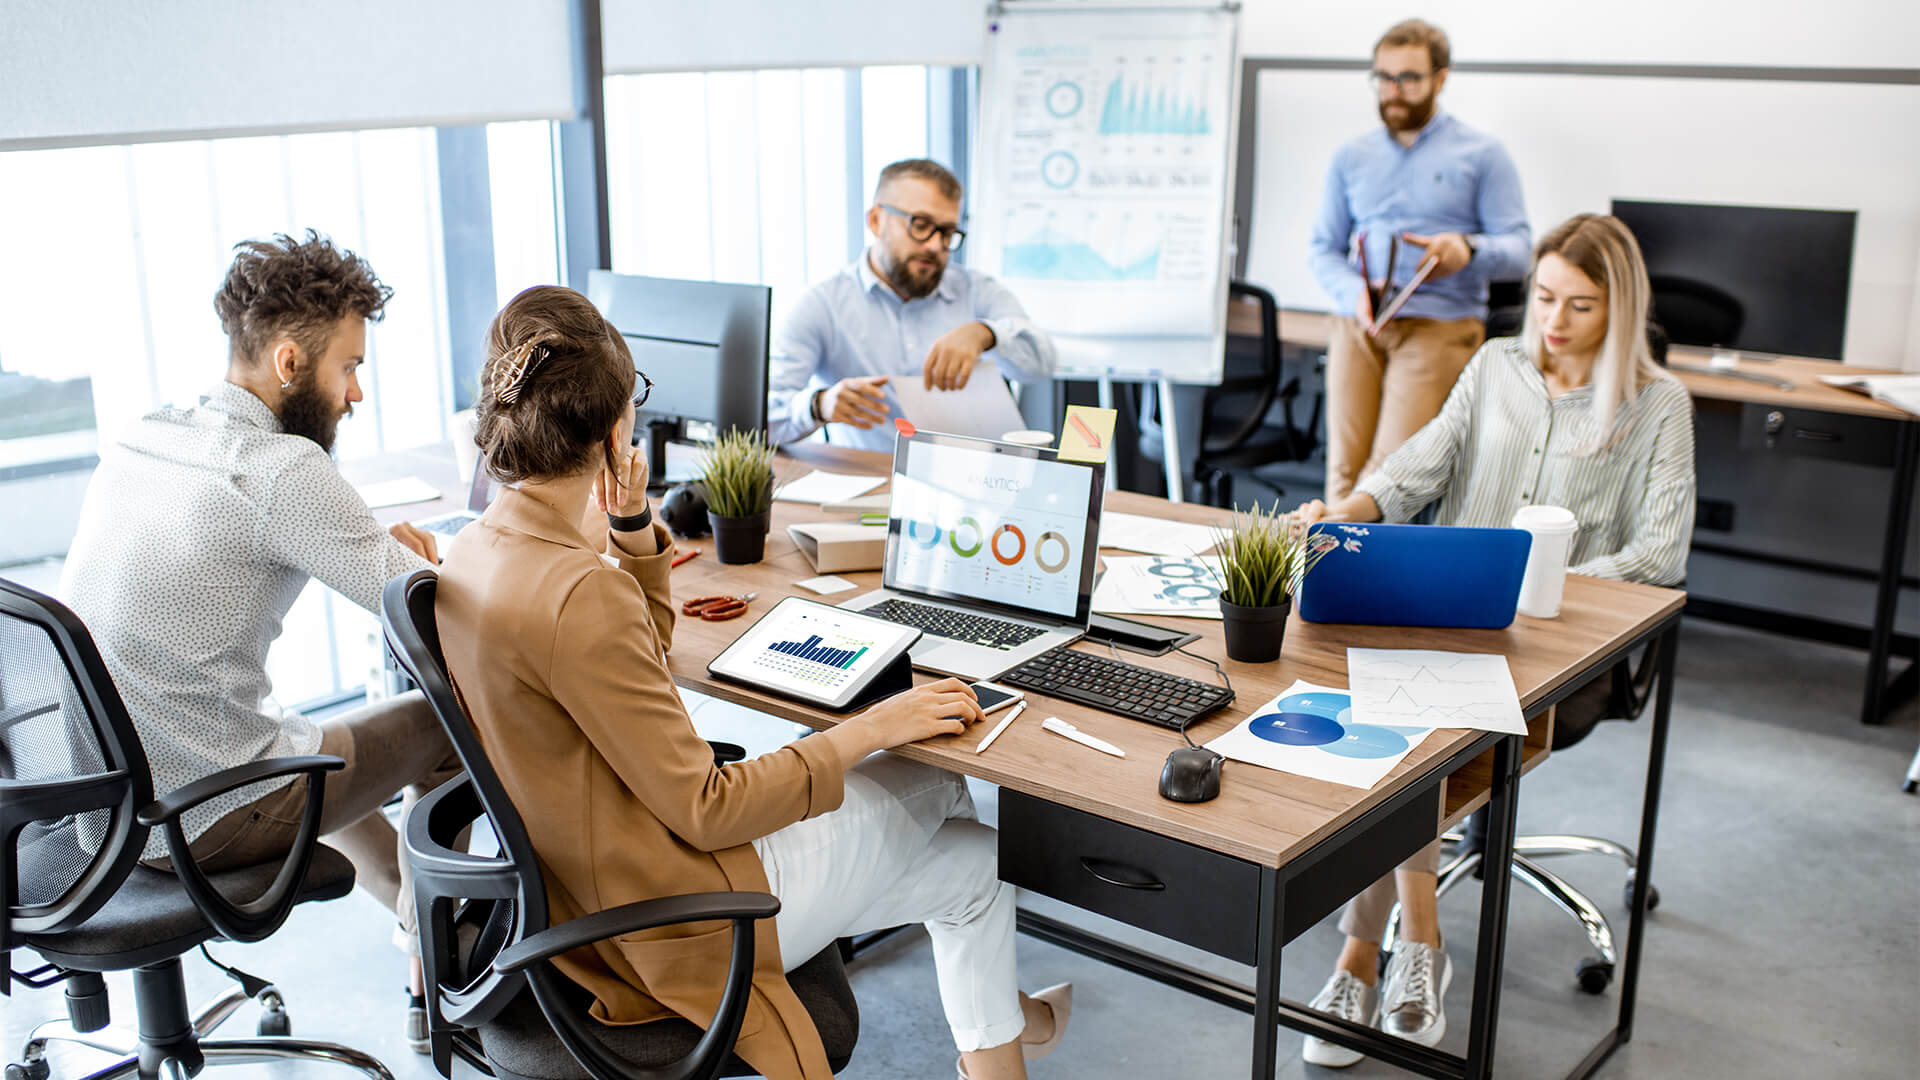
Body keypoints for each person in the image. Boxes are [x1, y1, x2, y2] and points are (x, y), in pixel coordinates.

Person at [435, 285, 1072, 1080]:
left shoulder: (474, 551)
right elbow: (708, 808)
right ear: (615, 430)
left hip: (586, 895)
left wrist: (632, 531)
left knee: (971, 862)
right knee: (937, 785)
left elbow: (628, 668)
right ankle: (1010, 1023)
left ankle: (1010, 1029)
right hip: (672, 919)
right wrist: (875, 726)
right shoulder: (576, 592)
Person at [1292, 213, 1696, 1067]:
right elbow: (1413, 472)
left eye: (1580, 306)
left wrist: (1548, 589)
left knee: (1410, 748)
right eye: (1544, 297)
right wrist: (1345, 515)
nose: (1553, 321)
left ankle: (1368, 953)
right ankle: (1414, 947)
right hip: (1446, 619)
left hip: (1563, 656)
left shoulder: (1658, 406)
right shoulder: (1495, 367)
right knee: (1382, 728)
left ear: (1620, 309)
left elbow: (1659, 555)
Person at [59, 230, 463, 1050]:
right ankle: (439, 965)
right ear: (288, 363)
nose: (354, 394)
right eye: (347, 367)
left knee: (303, 738)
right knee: (440, 721)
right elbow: (433, 616)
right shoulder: (279, 472)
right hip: (193, 818)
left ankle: (422, 934)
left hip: (91, 807)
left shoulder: (150, 434)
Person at [1309, 18, 1531, 504]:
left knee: (1385, 474)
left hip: (1439, 322)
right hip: (1360, 322)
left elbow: (1520, 251)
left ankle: (1360, 571)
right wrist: (1354, 295)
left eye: (1408, 78)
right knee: (1342, 471)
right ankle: (1326, 575)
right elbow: (1323, 249)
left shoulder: (1484, 155)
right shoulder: (1351, 156)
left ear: (1440, 78)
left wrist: (1467, 250)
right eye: (1383, 78)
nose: (1394, 91)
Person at [767, 158, 1056, 451]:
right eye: (920, 225)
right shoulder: (823, 304)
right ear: (876, 221)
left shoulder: (976, 291)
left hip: (975, 479)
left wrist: (986, 334)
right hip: (873, 481)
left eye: (946, 233)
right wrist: (819, 405)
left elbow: (1041, 362)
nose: (934, 245)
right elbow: (758, 419)